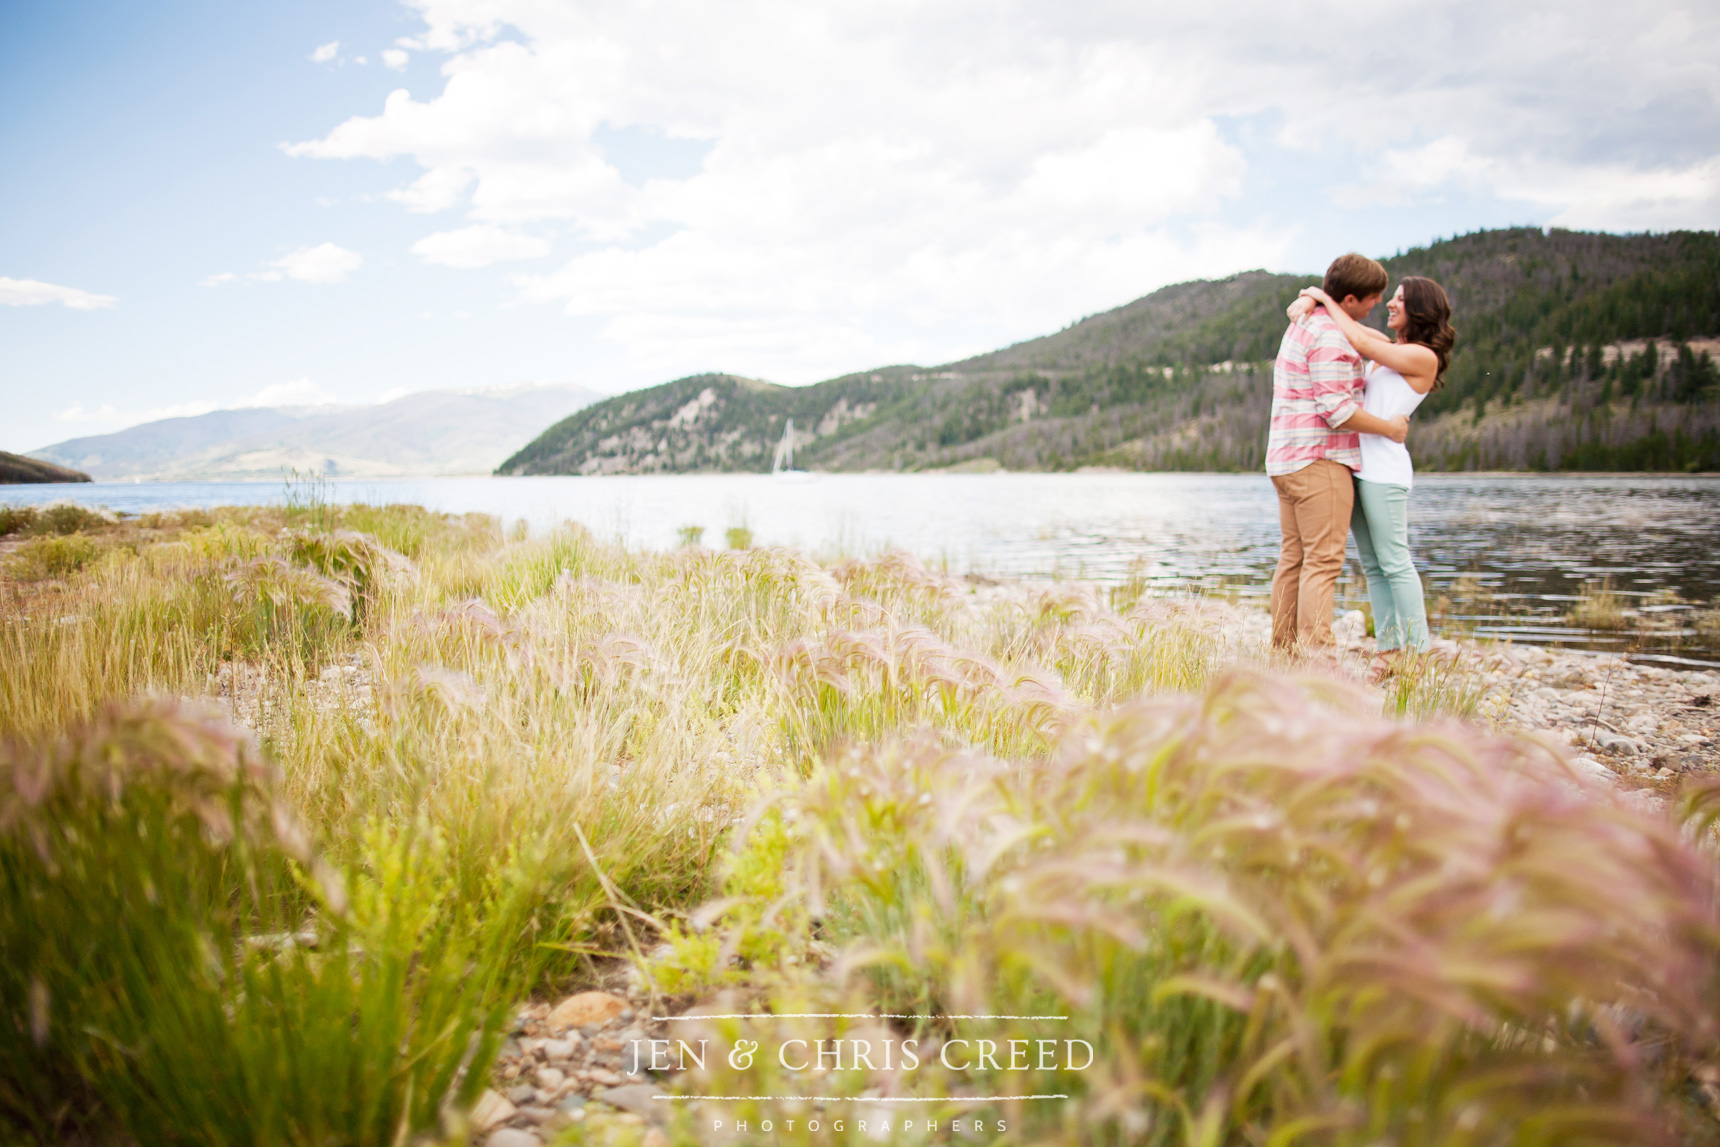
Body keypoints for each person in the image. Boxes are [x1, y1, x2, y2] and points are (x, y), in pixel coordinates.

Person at [1288, 276, 1456, 674]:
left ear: (1419, 309)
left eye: (1398, 299)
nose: (1390, 304)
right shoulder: (1391, 347)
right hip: (1359, 467)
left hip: (1385, 472)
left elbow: (1359, 341)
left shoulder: (1422, 357)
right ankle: (1388, 647)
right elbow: (1355, 328)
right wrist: (1313, 298)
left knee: (1395, 561)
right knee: (1373, 565)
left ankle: (1417, 650)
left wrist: (1321, 297)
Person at [1265, 253, 1408, 657]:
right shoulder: (1330, 336)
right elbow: (1337, 410)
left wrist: (1313, 297)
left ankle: (1284, 652)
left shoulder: (1306, 323)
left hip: (1286, 459)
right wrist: (1390, 429)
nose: (1377, 304)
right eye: (1373, 297)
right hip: (1319, 461)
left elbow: (1372, 342)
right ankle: (1317, 656)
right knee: (1323, 562)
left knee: (1294, 557)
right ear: (1348, 300)